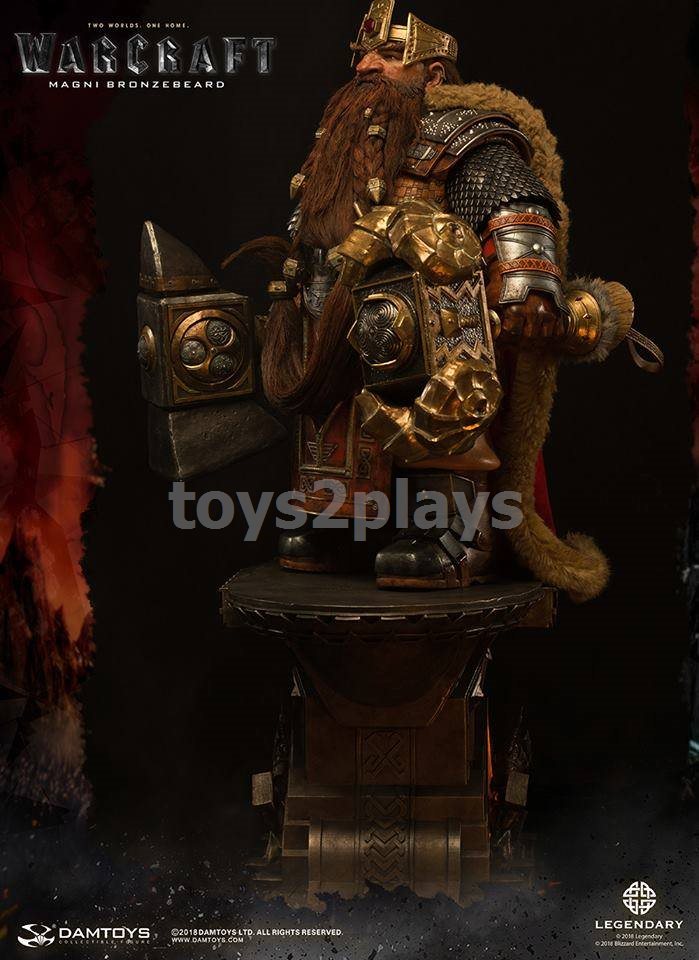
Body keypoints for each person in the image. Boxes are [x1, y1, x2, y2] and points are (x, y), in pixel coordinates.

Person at [247, 1, 635, 594]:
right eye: (361, 55)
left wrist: (525, 282)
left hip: (437, 325)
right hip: (345, 327)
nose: (366, 66)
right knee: (327, 388)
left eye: (388, 55)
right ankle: (340, 519)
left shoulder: (457, 134)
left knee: (443, 363)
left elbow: (513, 202)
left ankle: (455, 527)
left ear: (432, 73)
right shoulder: (340, 148)